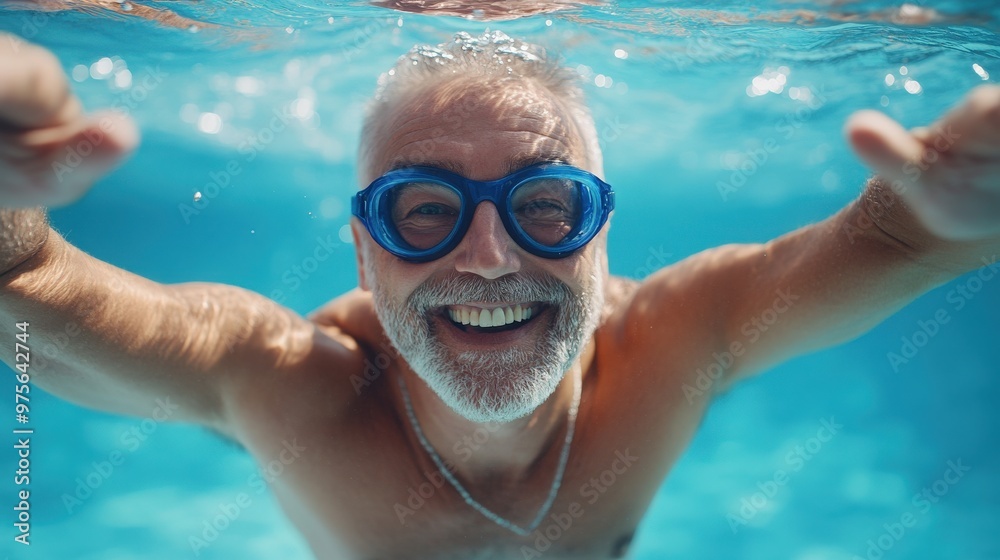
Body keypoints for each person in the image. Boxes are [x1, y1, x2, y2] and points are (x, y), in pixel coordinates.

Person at [1, 29, 998, 560]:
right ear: (360, 252)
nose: (486, 256)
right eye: (423, 209)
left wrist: (949, 218)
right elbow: (31, 288)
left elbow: (893, 240)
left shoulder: (671, 343)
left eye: (545, 204)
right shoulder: (287, 385)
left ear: (602, 229)